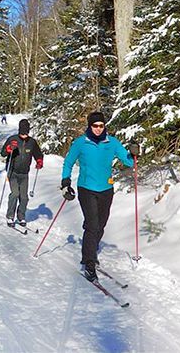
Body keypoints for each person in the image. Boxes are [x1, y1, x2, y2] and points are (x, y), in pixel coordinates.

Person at [60, 111, 140, 282]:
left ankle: (90, 246)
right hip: (86, 188)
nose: (98, 129)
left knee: (101, 224)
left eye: (101, 126)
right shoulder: (81, 143)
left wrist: (134, 153)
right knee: (93, 225)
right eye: (95, 125)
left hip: (106, 189)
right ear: (89, 126)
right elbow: (68, 162)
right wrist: (65, 181)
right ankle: (89, 261)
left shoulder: (112, 143)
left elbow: (129, 162)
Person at [0, 119, 44, 227]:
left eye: (26, 133)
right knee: (15, 194)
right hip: (13, 172)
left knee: (24, 197)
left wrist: (39, 161)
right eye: (22, 133)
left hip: (24, 173)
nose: (24, 135)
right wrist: (9, 148)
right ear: (19, 131)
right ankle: (10, 216)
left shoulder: (32, 142)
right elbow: (3, 153)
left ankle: (21, 217)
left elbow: (38, 154)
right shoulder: (12, 139)